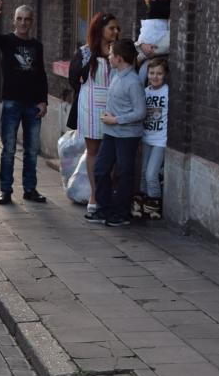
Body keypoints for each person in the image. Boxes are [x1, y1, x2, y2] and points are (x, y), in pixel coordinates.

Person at [0, 0, 49, 205]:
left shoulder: (36, 46)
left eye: (26, 19)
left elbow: (41, 75)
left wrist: (43, 101)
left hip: (32, 105)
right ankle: (5, 190)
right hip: (11, 102)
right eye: (19, 19)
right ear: (14, 21)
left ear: (31, 23)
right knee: (9, 149)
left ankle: (30, 189)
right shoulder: (8, 42)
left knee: (31, 150)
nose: (22, 23)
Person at [88, 38, 145, 227]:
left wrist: (117, 119)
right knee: (101, 169)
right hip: (111, 132)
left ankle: (121, 214)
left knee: (124, 172)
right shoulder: (115, 73)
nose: (109, 56)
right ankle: (104, 209)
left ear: (119, 58)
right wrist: (109, 115)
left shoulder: (133, 82)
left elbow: (140, 112)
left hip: (127, 135)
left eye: (111, 54)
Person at [69, 12, 120, 219]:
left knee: (113, 152)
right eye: (112, 29)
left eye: (118, 29)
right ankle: (94, 194)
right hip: (91, 105)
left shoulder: (120, 52)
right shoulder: (85, 52)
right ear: (100, 30)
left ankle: (108, 192)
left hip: (114, 106)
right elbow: (74, 79)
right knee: (93, 151)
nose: (115, 32)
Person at [139, 58, 169, 220]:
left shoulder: (167, 92)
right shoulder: (145, 92)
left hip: (160, 140)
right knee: (143, 173)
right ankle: (144, 204)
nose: (155, 76)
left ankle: (155, 205)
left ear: (165, 75)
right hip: (146, 138)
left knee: (151, 174)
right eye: (152, 73)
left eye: (159, 73)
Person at [136, 0, 170, 84]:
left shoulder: (168, 13)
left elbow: (167, 41)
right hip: (147, 50)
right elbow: (145, 34)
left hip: (157, 54)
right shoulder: (150, 13)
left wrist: (152, 51)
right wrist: (141, 44)